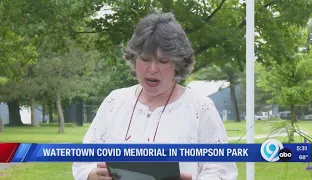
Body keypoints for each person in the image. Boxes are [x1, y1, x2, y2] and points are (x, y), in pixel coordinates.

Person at [72, 11, 238, 180]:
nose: (152, 69)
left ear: (178, 64)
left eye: (163, 61)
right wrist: (92, 175)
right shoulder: (114, 101)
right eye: (144, 59)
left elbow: (221, 171)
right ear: (133, 59)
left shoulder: (200, 107)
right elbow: (84, 161)